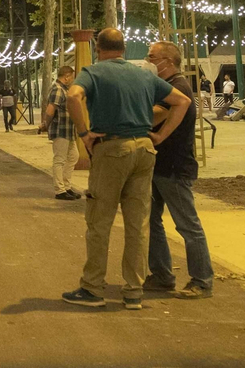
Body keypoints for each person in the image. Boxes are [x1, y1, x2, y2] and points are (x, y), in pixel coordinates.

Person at [60, 27, 192, 310]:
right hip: (144, 150)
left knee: (99, 221)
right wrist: (160, 135)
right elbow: (182, 102)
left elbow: (73, 97)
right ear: (124, 48)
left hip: (112, 149)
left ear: (98, 48)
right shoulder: (145, 74)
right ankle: (134, 291)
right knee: (138, 223)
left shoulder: (92, 73)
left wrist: (84, 134)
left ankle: (93, 288)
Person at [144, 41, 213, 299]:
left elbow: (158, 114)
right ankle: (162, 275)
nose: (148, 62)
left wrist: (155, 133)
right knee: (151, 221)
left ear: (168, 62)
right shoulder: (165, 87)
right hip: (159, 166)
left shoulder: (178, 88)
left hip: (174, 168)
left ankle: (202, 281)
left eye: (152, 57)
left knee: (187, 226)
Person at [37, 65, 81, 200]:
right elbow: (51, 110)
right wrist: (46, 124)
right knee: (60, 159)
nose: (72, 80)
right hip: (60, 129)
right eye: (72, 77)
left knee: (73, 157)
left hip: (68, 130)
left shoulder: (64, 89)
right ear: (66, 76)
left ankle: (66, 186)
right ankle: (60, 190)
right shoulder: (57, 89)